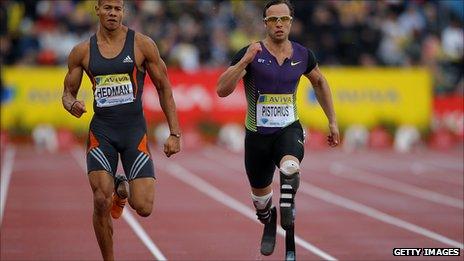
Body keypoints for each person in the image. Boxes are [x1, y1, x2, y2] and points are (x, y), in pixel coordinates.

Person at [216, 0, 339, 260]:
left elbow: (320, 82)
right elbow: (221, 89)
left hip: (288, 129)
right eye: (273, 20)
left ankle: (286, 202)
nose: (279, 24)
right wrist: (243, 63)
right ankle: (269, 218)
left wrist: (332, 121)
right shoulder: (250, 52)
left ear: (291, 22)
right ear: (265, 24)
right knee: (260, 203)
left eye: (284, 19)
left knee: (291, 167)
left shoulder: (303, 55)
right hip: (257, 137)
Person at [61, 0, 181, 260]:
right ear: (97, 9)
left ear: (124, 11)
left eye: (117, 8)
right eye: (107, 8)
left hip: (133, 133)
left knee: (144, 207)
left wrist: (174, 132)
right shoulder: (82, 51)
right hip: (101, 133)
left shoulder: (142, 44)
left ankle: (121, 190)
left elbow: (164, 88)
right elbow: (67, 94)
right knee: (101, 200)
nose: (112, 13)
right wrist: (72, 104)